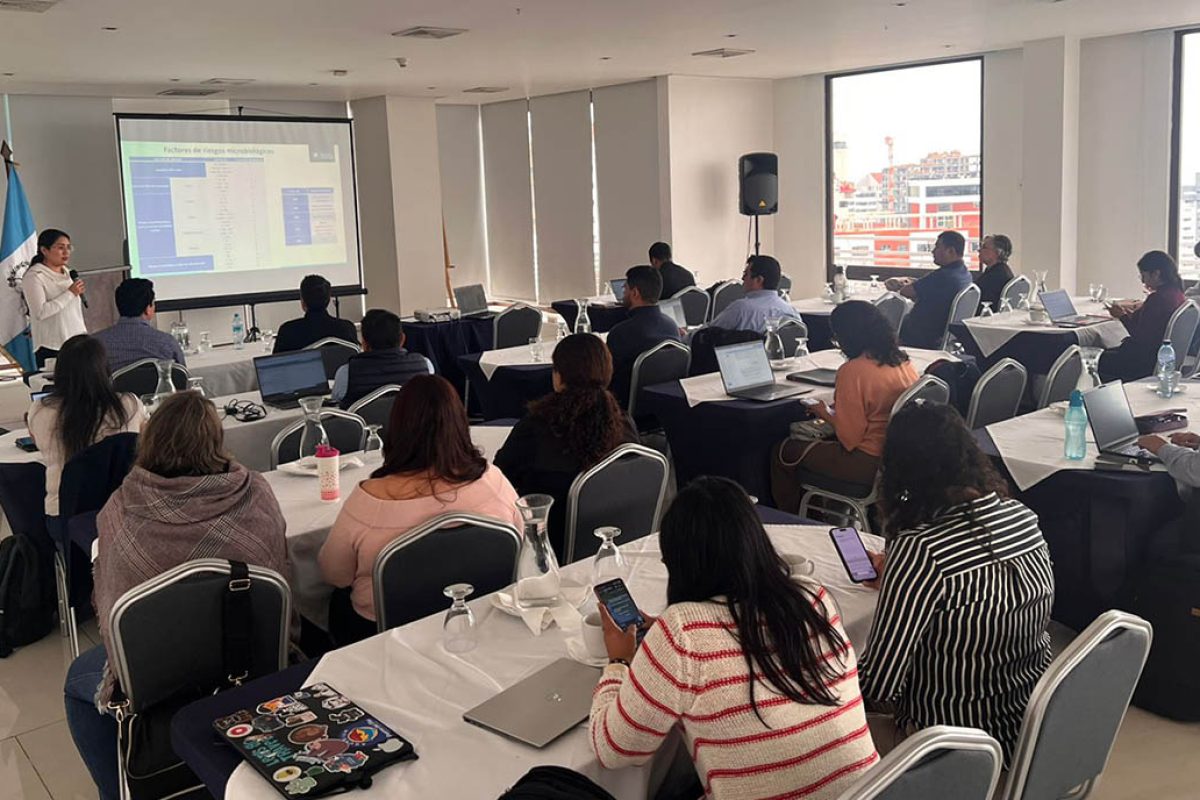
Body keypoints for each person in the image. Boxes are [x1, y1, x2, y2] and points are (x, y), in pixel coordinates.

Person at [589, 476, 878, 799]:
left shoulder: (683, 634)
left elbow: (615, 750)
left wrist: (618, 661)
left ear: (681, 564)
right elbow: (738, 644)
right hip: (871, 792)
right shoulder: (812, 598)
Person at [64, 391, 290, 800]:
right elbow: (280, 571)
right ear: (217, 440)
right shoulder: (256, 491)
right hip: (254, 660)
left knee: (76, 682)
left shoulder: (120, 508)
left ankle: (118, 790)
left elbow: (114, 610)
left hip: (154, 678)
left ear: (149, 439)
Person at [858, 402, 1053, 762]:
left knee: (814, 734)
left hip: (948, 746)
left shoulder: (922, 549)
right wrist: (903, 581)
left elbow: (878, 685)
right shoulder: (1023, 518)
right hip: (1025, 728)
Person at [318, 374, 523, 645]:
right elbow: (520, 542)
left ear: (398, 428)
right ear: (460, 424)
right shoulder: (492, 480)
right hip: (481, 615)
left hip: (383, 633)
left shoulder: (369, 501)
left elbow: (334, 574)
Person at [494, 334, 639, 556]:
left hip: (551, 546)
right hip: (620, 538)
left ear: (559, 376)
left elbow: (501, 479)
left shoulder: (537, 427)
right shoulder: (623, 422)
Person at [771, 301, 919, 512]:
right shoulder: (904, 363)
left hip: (868, 462)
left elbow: (850, 439)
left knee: (783, 451)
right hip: (899, 458)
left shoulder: (854, 371)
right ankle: (826, 513)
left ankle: (796, 519)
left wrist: (824, 413)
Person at [26, 335, 146, 520]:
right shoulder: (129, 405)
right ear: (105, 369)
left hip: (64, 515)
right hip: (122, 512)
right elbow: (145, 439)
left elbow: (37, 441)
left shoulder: (41, 409)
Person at [1098, 250, 1188, 382]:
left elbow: (1140, 336)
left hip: (1145, 360)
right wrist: (1136, 314)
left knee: (1092, 358)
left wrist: (1121, 316)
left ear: (1156, 274)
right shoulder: (1177, 293)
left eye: (1143, 276)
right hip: (1162, 356)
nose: (1142, 281)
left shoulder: (1158, 299)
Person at [604, 265, 682, 407]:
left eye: (625, 289)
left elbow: (606, 378)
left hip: (623, 408)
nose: (623, 293)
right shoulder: (672, 326)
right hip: (664, 407)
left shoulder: (621, 333)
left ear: (635, 293)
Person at [887, 230, 972, 350]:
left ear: (951, 251)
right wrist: (909, 282)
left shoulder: (943, 276)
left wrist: (898, 284)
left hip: (921, 335)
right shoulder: (964, 274)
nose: (933, 251)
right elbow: (926, 288)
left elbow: (907, 292)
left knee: (880, 322)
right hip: (944, 334)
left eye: (937, 247)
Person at [332, 308, 432, 408]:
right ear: (402, 339)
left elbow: (335, 403)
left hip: (366, 419)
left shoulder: (347, 374)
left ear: (364, 344)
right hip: (410, 418)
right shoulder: (425, 366)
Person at [21, 228, 87, 368]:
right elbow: (40, 312)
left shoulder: (68, 273)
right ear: (44, 250)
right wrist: (70, 293)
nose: (66, 252)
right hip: (52, 346)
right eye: (61, 248)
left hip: (78, 343)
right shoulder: (35, 276)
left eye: (69, 247)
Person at [92, 278, 186, 372]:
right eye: (153, 303)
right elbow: (183, 376)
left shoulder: (95, 344)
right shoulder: (167, 343)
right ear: (147, 309)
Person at [708, 254, 800, 333]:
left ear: (759, 280)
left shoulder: (740, 309)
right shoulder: (791, 312)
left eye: (746, 274)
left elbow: (709, 333)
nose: (742, 278)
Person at [272, 274, 358, 353]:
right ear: (328, 300)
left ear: (303, 301)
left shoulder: (287, 332)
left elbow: (274, 363)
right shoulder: (347, 329)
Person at [975, 234, 1015, 312]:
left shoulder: (996, 277)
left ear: (998, 252)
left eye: (984, 247)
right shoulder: (1002, 270)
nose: (979, 250)